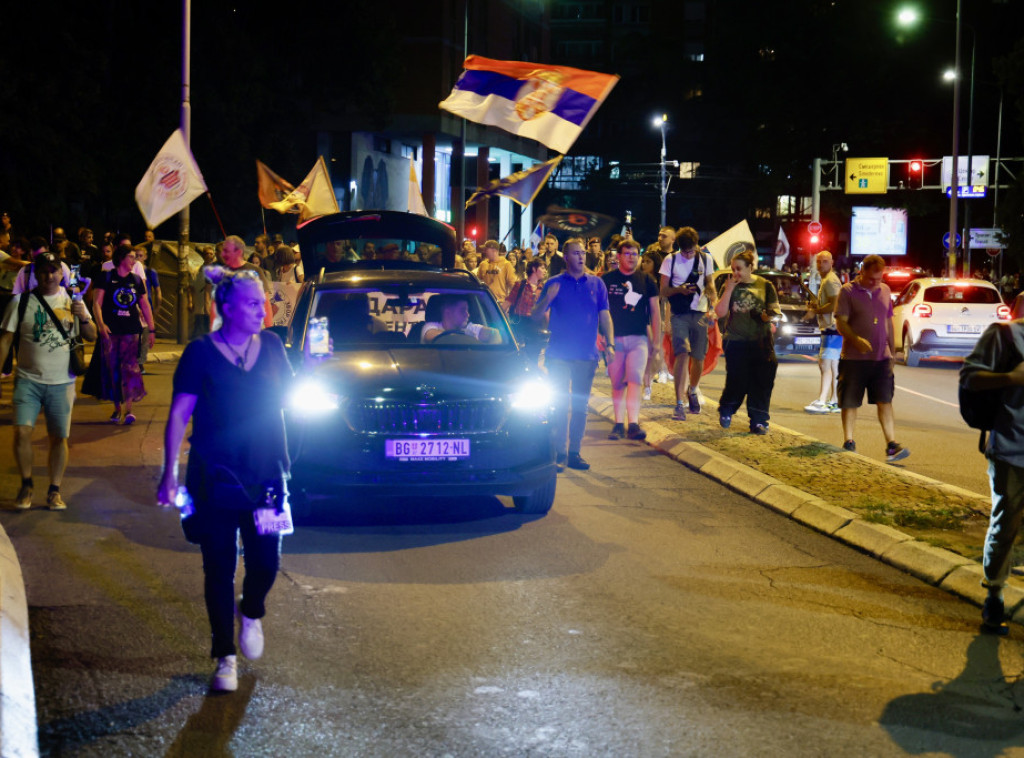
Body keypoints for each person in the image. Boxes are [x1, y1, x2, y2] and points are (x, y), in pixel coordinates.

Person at [157, 266, 320, 692]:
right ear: (225, 308)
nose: (262, 309)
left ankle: (251, 610)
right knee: (218, 567)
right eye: (252, 302)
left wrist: (317, 368)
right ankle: (224, 657)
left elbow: (290, 396)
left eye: (263, 301)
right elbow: (178, 415)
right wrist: (169, 474)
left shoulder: (271, 347)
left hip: (267, 478)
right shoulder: (200, 353)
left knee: (267, 562)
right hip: (214, 480)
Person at [0, 252, 97, 509]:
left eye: (54, 271)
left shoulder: (73, 302)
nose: (49, 276)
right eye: (44, 270)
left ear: (61, 274)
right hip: (27, 381)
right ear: (36, 274)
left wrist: (84, 316)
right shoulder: (20, 302)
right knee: (21, 432)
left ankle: (54, 490)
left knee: (58, 438)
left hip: (62, 382)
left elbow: (92, 335)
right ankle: (26, 485)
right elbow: (6, 340)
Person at [961, 319, 1024, 633]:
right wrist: (1010, 377)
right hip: (1012, 448)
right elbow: (970, 377)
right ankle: (995, 595)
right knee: (1006, 523)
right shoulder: (1006, 335)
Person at [532, 237, 614, 471]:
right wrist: (548, 298)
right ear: (566, 257)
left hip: (586, 355)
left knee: (580, 406)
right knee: (559, 404)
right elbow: (535, 316)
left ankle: (574, 452)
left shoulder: (597, 284)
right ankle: (558, 452)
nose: (581, 256)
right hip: (558, 354)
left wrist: (610, 344)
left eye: (583, 253)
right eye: (576, 253)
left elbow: (605, 315)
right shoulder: (553, 283)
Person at [834, 254, 909, 461]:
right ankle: (849, 441)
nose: (876, 283)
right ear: (861, 272)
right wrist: (855, 339)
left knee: (885, 400)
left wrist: (893, 353)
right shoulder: (847, 291)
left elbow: (888, 322)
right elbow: (841, 322)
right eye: (871, 279)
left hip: (881, 359)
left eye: (879, 279)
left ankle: (891, 445)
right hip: (853, 359)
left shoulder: (884, 291)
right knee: (850, 401)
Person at [714, 246, 781, 434]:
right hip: (736, 341)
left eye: (739, 269)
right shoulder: (729, 285)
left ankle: (759, 420)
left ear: (750, 267)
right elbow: (720, 313)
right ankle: (727, 409)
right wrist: (729, 290)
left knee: (762, 382)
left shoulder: (765, 285)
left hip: (761, 342)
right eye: (733, 268)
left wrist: (767, 316)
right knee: (737, 380)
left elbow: (774, 311)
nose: (735, 272)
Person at [89, 244, 155, 425]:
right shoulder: (106, 277)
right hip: (111, 331)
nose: (134, 260)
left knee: (130, 369)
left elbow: (144, 304)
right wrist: (101, 325)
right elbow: (97, 303)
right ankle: (117, 409)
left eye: (135, 257)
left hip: (131, 330)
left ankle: (129, 411)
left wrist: (151, 328)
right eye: (131, 257)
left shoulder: (135, 279)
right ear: (121, 258)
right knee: (113, 370)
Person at [603, 239, 660, 441]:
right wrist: (600, 336)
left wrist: (657, 342)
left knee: (635, 379)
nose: (631, 257)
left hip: (638, 339)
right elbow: (600, 311)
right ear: (618, 257)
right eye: (627, 254)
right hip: (614, 339)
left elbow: (655, 312)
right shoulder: (607, 280)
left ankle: (633, 424)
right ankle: (618, 424)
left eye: (635, 254)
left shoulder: (647, 280)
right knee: (617, 382)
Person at [658, 226, 717, 420]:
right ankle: (678, 403)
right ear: (679, 248)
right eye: (686, 251)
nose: (689, 254)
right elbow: (663, 291)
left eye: (692, 250)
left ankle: (692, 390)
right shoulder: (670, 260)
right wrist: (680, 290)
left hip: (700, 314)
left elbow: (710, 283)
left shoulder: (705, 259)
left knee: (698, 356)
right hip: (679, 314)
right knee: (682, 353)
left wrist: (712, 302)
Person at [803, 250, 843, 414]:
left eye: (825, 261)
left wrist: (816, 311)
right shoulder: (828, 280)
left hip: (832, 329)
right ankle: (834, 401)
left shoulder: (830, 281)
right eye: (819, 261)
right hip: (833, 329)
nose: (821, 264)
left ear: (832, 262)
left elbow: (835, 305)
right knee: (833, 366)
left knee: (825, 364)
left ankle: (822, 401)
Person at [421, 294, 501, 344]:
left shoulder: (470, 328)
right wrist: (469, 338)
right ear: (448, 312)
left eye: (467, 310)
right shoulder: (430, 326)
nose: (467, 314)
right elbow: (431, 336)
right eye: (462, 310)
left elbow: (495, 333)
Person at [136, 246, 161, 373]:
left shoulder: (150, 272)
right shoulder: (131, 271)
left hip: (146, 307)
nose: (138, 258)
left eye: (141, 255)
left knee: (145, 337)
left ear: (145, 257)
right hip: (134, 308)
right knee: (135, 336)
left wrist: (157, 307)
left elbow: (157, 290)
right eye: (136, 255)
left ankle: (141, 362)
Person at [473, 240, 517, 307]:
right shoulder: (483, 264)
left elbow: (513, 286)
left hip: (499, 302)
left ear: (494, 251)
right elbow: (478, 283)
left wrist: (507, 304)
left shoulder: (506, 265)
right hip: (484, 301)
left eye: (486, 249)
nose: (484, 251)